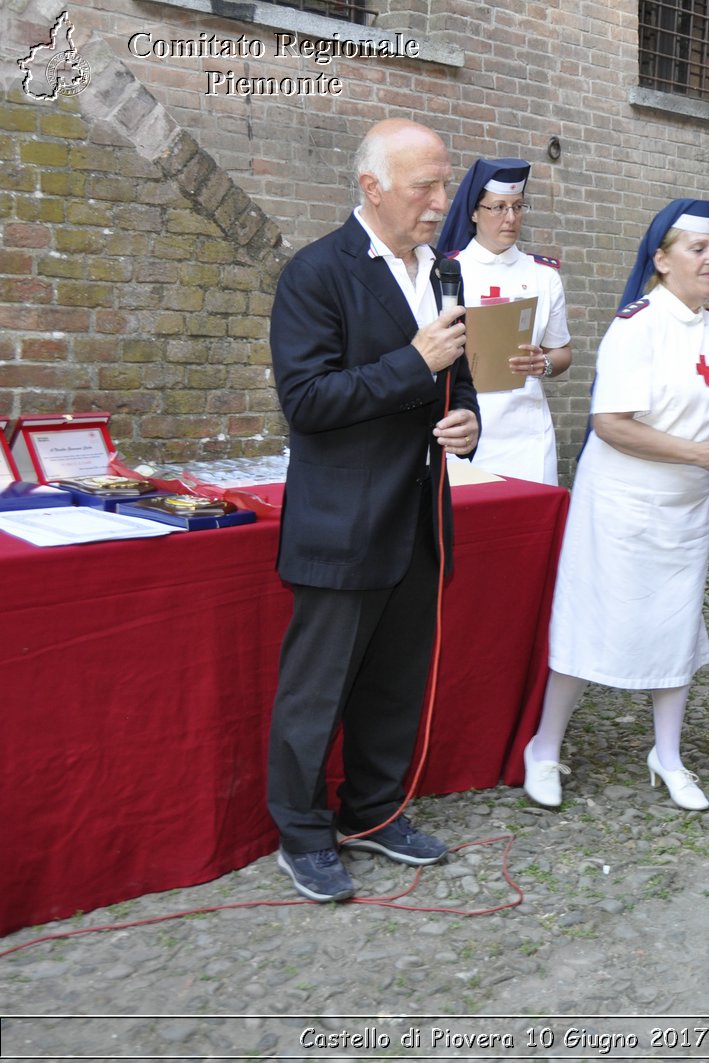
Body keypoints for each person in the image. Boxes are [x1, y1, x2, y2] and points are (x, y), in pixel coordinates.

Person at [520, 199, 709, 811]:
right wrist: (702, 456)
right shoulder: (638, 325)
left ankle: (668, 754)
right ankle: (544, 748)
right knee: (592, 622)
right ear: (661, 259)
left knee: (674, 627)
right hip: (622, 506)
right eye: (697, 249)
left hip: (683, 507)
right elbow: (610, 424)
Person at [266, 118, 480, 902]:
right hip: (343, 519)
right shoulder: (318, 273)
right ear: (372, 187)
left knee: (395, 679)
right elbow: (308, 400)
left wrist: (469, 423)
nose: (439, 201)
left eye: (443, 183)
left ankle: (376, 811)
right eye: (424, 185)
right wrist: (410, 364)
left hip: (419, 513)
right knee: (317, 687)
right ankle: (303, 833)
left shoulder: (447, 272)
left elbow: (465, 379)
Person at [435, 158, 572, 484]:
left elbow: (562, 351)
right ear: (474, 212)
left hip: (527, 436)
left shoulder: (544, 276)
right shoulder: (447, 272)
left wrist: (545, 364)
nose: (510, 218)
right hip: (465, 429)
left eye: (517, 206)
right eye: (498, 207)